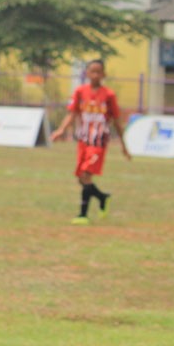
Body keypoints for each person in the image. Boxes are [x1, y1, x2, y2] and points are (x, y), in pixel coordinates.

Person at [50, 59, 131, 225]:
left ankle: (82, 215)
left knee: (86, 174)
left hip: (99, 141)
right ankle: (102, 197)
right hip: (84, 140)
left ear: (103, 74)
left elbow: (117, 121)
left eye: (98, 71)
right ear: (86, 73)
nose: (95, 75)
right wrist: (61, 130)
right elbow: (72, 114)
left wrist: (124, 146)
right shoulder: (80, 92)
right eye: (92, 71)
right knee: (81, 177)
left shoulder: (108, 95)